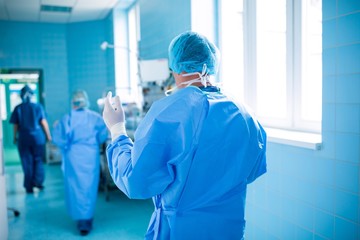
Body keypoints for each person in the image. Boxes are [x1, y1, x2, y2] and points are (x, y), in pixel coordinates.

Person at [103, 31, 267, 239]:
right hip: (228, 230)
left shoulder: (170, 113)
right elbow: (252, 170)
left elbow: (137, 181)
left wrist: (117, 131)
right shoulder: (245, 113)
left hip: (182, 230)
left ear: (175, 69)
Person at [52, 90, 108, 236]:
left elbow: (59, 139)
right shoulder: (95, 118)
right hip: (90, 156)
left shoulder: (67, 119)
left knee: (76, 188)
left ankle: (81, 220)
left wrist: (56, 127)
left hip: (73, 157)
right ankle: (87, 219)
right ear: (86, 101)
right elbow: (102, 136)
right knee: (89, 188)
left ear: (73, 103)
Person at [10, 85, 52, 194]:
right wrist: (48, 136)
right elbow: (43, 122)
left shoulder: (18, 108)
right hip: (37, 137)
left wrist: (15, 137)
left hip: (24, 137)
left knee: (26, 161)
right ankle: (38, 182)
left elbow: (15, 125)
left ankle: (29, 186)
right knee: (38, 160)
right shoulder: (38, 107)